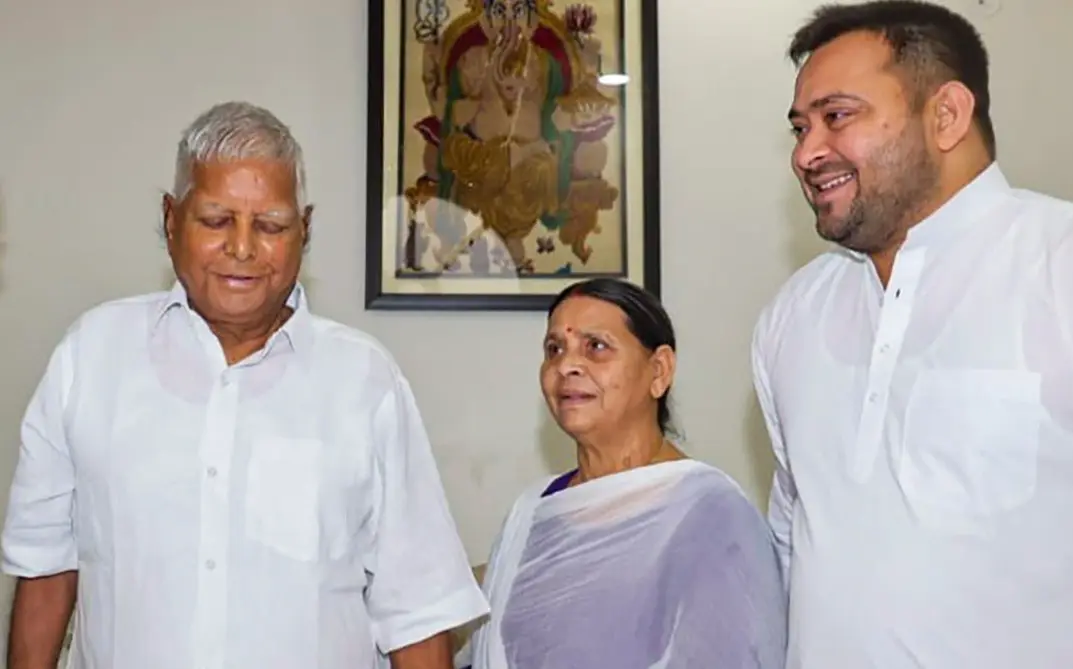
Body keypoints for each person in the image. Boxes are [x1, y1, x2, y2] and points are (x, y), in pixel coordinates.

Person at [752, 1, 1073, 667]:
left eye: (836, 116)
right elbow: (794, 542)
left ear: (947, 115)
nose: (807, 153)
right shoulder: (794, 315)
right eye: (799, 127)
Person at [1, 101, 489, 669]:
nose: (242, 248)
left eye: (271, 226)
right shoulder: (90, 357)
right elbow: (45, 566)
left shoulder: (365, 382)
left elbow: (418, 611)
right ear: (170, 220)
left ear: (305, 230)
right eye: (216, 221)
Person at [457, 278, 787, 669]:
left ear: (659, 371)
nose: (566, 365)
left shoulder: (712, 515)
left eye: (596, 347)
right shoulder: (531, 511)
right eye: (554, 349)